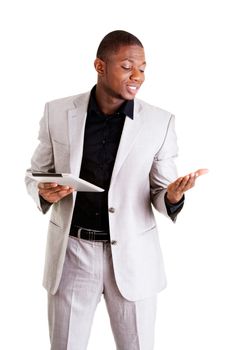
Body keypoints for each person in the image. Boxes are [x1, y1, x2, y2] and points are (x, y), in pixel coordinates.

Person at [25, 30, 208, 350]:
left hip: (134, 257)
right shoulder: (56, 112)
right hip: (72, 253)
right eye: (127, 66)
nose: (138, 75)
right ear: (99, 65)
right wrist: (44, 192)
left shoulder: (160, 122)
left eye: (143, 68)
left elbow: (160, 190)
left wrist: (173, 196)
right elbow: (35, 174)